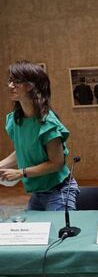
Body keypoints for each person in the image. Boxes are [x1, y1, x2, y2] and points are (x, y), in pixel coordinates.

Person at [0, 61, 79, 211]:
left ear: (31, 86)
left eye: (16, 82)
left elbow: (57, 163)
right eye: (10, 81)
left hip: (59, 191)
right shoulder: (15, 119)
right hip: (38, 193)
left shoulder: (48, 123)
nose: (10, 86)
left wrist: (20, 173)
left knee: (60, 233)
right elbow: (24, 150)